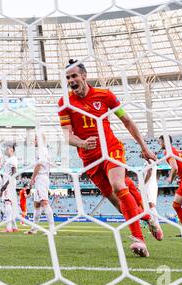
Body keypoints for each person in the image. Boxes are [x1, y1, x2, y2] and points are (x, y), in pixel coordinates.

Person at [58, 59, 159, 257]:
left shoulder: (105, 96)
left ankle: (139, 240)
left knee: (119, 185)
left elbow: (127, 120)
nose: (71, 80)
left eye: (74, 76)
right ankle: (149, 217)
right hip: (89, 158)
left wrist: (144, 148)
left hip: (111, 149)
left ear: (84, 76)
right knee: (121, 205)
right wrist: (81, 143)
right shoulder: (64, 103)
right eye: (68, 77)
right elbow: (67, 135)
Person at [25, 133, 55, 235]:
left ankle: (52, 229)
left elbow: (38, 165)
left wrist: (32, 179)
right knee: (37, 204)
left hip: (41, 178)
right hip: (41, 178)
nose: (34, 141)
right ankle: (34, 228)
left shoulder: (41, 151)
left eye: (36, 139)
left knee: (44, 202)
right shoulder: (43, 151)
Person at [0, 142, 19, 232]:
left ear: (11, 150)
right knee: (8, 204)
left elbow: (14, 173)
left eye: (7, 149)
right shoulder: (9, 159)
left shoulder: (13, 159)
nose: (5, 150)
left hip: (9, 183)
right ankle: (14, 226)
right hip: (8, 183)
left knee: (7, 202)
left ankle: (8, 227)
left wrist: (6, 184)